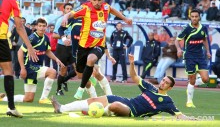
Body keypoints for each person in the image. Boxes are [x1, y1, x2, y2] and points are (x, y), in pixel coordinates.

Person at [51, 54, 193, 120]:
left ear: (170, 87)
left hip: (133, 111)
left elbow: (179, 115)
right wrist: (131, 63)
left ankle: (92, 112)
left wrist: (192, 119)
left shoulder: (167, 102)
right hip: (127, 102)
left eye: (166, 83)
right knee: (94, 100)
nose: (162, 83)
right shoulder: (151, 88)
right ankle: (61, 108)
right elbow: (135, 77)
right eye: (163, 80)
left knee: (114, 106)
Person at [61, 0, 132, 100]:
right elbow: (71, 13)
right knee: (80, 74)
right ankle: (93, 95)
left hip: (99, 45)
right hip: (83, 46)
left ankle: (87, 90)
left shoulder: (105, 7)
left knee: (91, 60)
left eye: (99, 0)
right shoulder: (85, 8)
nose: (97, 2)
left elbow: (113, 10)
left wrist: (125, 19)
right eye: (94, 0)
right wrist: (65, 16)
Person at [0, 18, 64, 104]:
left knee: (28, 99)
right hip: (30, 67)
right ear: (36, 27)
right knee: (52, 72)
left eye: (44, 26)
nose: (42, 28)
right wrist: (22, 68)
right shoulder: (32, 38)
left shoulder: (46, 38)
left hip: (35, 68)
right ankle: (43, 98)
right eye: (40, 26)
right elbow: (20, 52)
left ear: (46, 27)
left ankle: (3, 99)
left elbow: (47, 51)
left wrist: (56, 59)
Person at [0, 0, 38, 118]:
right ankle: (11, 108)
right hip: (0, 37)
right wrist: (29, 46)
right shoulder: (11, 0)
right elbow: (19, 26)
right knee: (8, 70)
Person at [175, 9, 211, 108]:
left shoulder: (203, 28)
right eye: (193, 16)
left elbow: (205, 40)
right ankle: (189, 102)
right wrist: (179, 49)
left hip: (200, 56)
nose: (194, 18)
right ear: (190, 17)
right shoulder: (187, 28)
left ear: (199, 17)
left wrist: (207, 51)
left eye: (196, 16)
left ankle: (192, 84)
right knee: (192, 79)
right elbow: (177, 40)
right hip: (189, 56)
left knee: (205, 79)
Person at [53, 3, 75, 96]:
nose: (69, 10)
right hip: (62, 48)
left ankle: (64, 80)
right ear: (64, 10)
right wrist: (65, 37)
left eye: (71, 9)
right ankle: (58, 89)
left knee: (78, 69)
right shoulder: (60, 21)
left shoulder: (75, 20)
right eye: (67, 9)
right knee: (63, 70)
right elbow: (54, 35)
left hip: (73, 47)